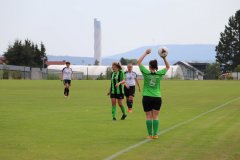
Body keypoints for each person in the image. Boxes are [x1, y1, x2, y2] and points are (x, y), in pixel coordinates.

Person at [137, 48, 170, 139]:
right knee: (155, 116)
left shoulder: (146, 73)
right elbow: (168, 67)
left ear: (150, 66)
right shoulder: (159, 74)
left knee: (148, 116)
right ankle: (155, 134)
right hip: (157, 97)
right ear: (156, 67)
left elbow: (138, 62)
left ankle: (149, 134)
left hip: (147, 97)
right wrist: (164, 58)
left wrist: (145, 53)